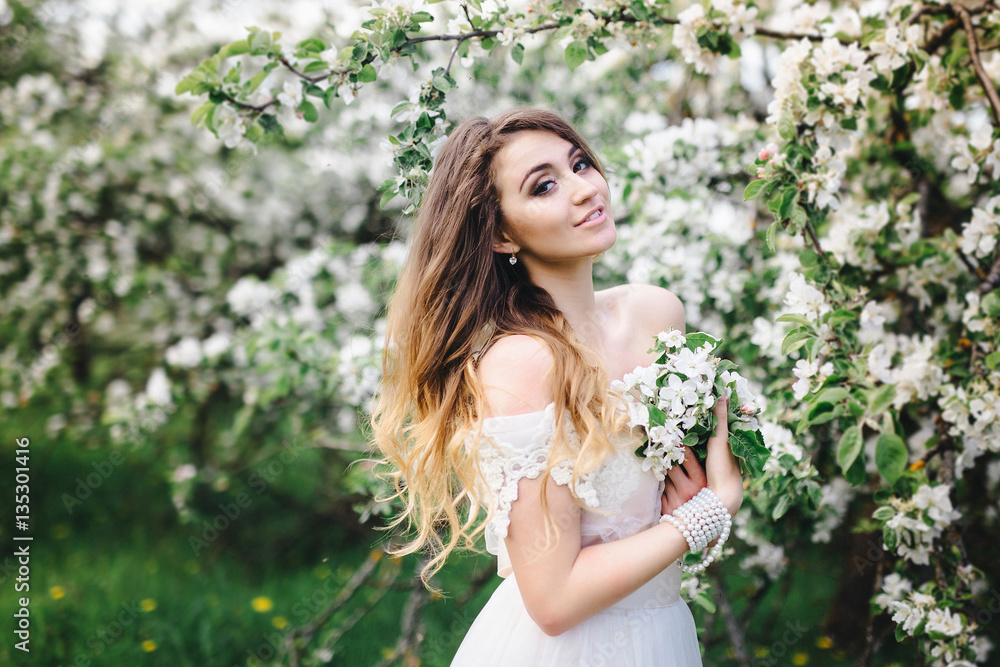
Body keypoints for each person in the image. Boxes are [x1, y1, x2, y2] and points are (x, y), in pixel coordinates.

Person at [371, 107, 744, 666]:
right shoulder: (523, 364)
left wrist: (685, 520)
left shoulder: (656, 314)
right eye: (544, 186)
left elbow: (655, 522)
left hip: (662, 632)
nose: (583, 189)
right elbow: (553, 600)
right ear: (500, 233)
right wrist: (709, 513)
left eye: (580, 164)